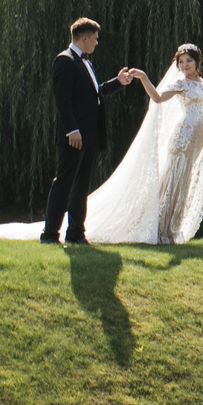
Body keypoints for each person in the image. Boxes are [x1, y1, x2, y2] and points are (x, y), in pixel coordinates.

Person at [81, 43, 203, 245]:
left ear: (198, 62)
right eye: (181, 62)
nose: (185, 65)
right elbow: (158, 98)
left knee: (182, 186)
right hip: (182, 140)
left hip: (197, 142)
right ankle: (162, 230)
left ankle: (171, 228)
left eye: (189, 61)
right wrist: (143, 77)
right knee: (171, 184)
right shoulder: (181, 84)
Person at [42, 17, 141, 245]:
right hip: (73, 136)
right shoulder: (64, 61)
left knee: (81, 186)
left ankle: (76, 233)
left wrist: (118, 81)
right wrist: (72, 130)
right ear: (84, 38)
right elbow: (63, 100)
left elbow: (96, 93)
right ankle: (49, 235)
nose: (97, 43)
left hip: (90, 136)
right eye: (95, 39)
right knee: (64, 183)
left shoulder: (86, 62)